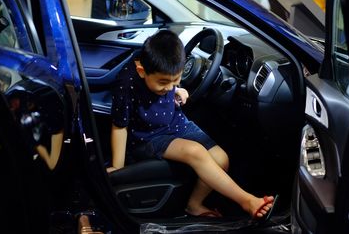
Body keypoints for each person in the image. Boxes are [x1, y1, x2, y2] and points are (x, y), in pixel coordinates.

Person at [106, 29, 276, 219]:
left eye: (175, 80)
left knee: (221, 159)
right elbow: (119, 125)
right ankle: (247, 201)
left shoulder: (164, 71)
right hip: (148, 136)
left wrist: (177, 90)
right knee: (194, 151)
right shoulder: (127, 82)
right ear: (141, 71)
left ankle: (193, 204)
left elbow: (169, 84)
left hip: (176, 122)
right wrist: (118, 168)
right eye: (163, 82)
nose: (169, 87)